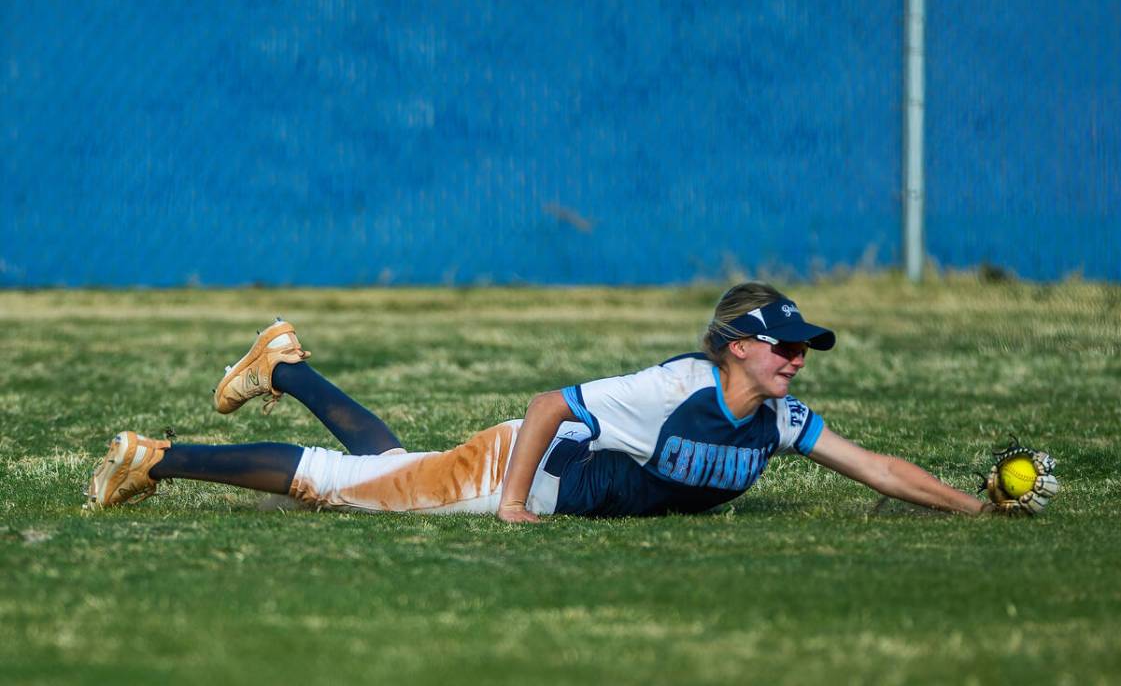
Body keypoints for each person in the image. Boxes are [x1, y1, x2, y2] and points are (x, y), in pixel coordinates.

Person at [85, 282, 989, 520]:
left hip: (528, 477)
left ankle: (281, 364)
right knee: (337, 484)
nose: (798, 357)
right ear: (737, 345)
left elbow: (874, 466)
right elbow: (550, 402)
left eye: (805, 346)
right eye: (785, 344)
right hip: (518, 470)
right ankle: (156, 456)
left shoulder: (778, 421)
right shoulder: (675, 388)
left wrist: (972, 505)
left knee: (384, 469)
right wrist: (512, 501)